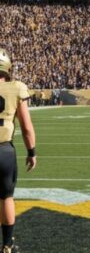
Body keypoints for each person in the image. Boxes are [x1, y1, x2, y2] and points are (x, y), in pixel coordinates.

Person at [0, 49, 37, 253]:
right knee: (6, 197)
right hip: (4, 150)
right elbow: (27, 127)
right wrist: (32, 152)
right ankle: (7, 245)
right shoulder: (17, 88)